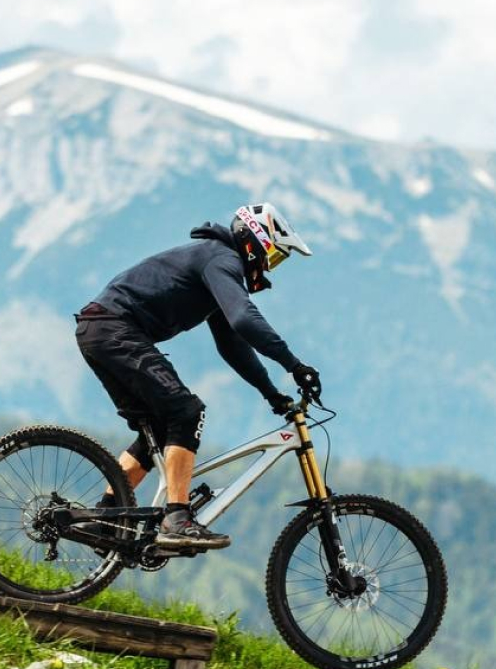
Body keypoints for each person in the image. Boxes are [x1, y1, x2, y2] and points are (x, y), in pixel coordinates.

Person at [74, 203, 321, 550]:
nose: (269, 267)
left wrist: (271, 394)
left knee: (159, 429)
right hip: (115, 329)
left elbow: (233, 346)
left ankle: (104, 518)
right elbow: (245, 319)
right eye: (273, 257)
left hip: (99, 330)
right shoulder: (222, 259)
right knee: (186, 412)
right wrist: (295, 365)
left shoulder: (214, 261)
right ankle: (177, 518)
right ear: (254, 241)